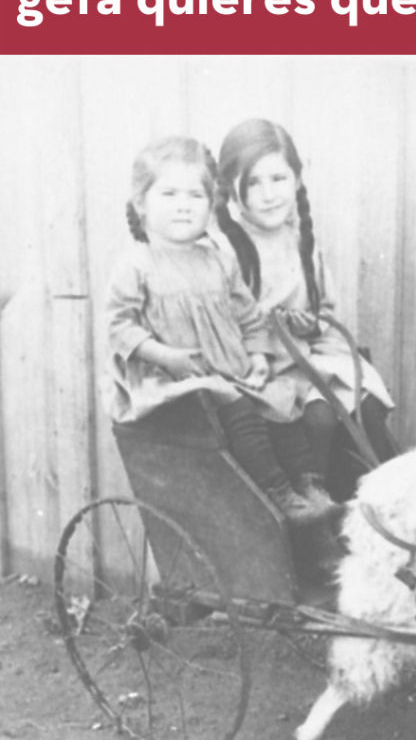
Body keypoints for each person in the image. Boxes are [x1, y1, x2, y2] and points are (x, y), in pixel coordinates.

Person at [105, 134, 344, 532]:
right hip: (169, 382)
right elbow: (120, 327)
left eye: (195, 196)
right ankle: (277, 492)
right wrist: (166, 356)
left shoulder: (217, 260)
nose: (183, 205)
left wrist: (258, 356)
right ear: (140, 204)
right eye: (169, 194)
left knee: (278, 397)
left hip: (225, 370)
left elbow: (248, 317)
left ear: (210, 204)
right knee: (237, 402)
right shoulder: (137, 264)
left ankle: (308, 484)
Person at [213, 119, 396, 509]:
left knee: (367, 405)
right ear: (231, 188)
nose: (267, 195)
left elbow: (323, 308)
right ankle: (312, 522)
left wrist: (310, 321)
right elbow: (223, 324)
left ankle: (370, 511)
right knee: (319, 420)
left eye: (278, 179)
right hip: (258, 366)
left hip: (306, 357)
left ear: (296, 179)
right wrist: (267, 327)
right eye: (253, 183)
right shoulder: (225, 248)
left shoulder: (302, 242)